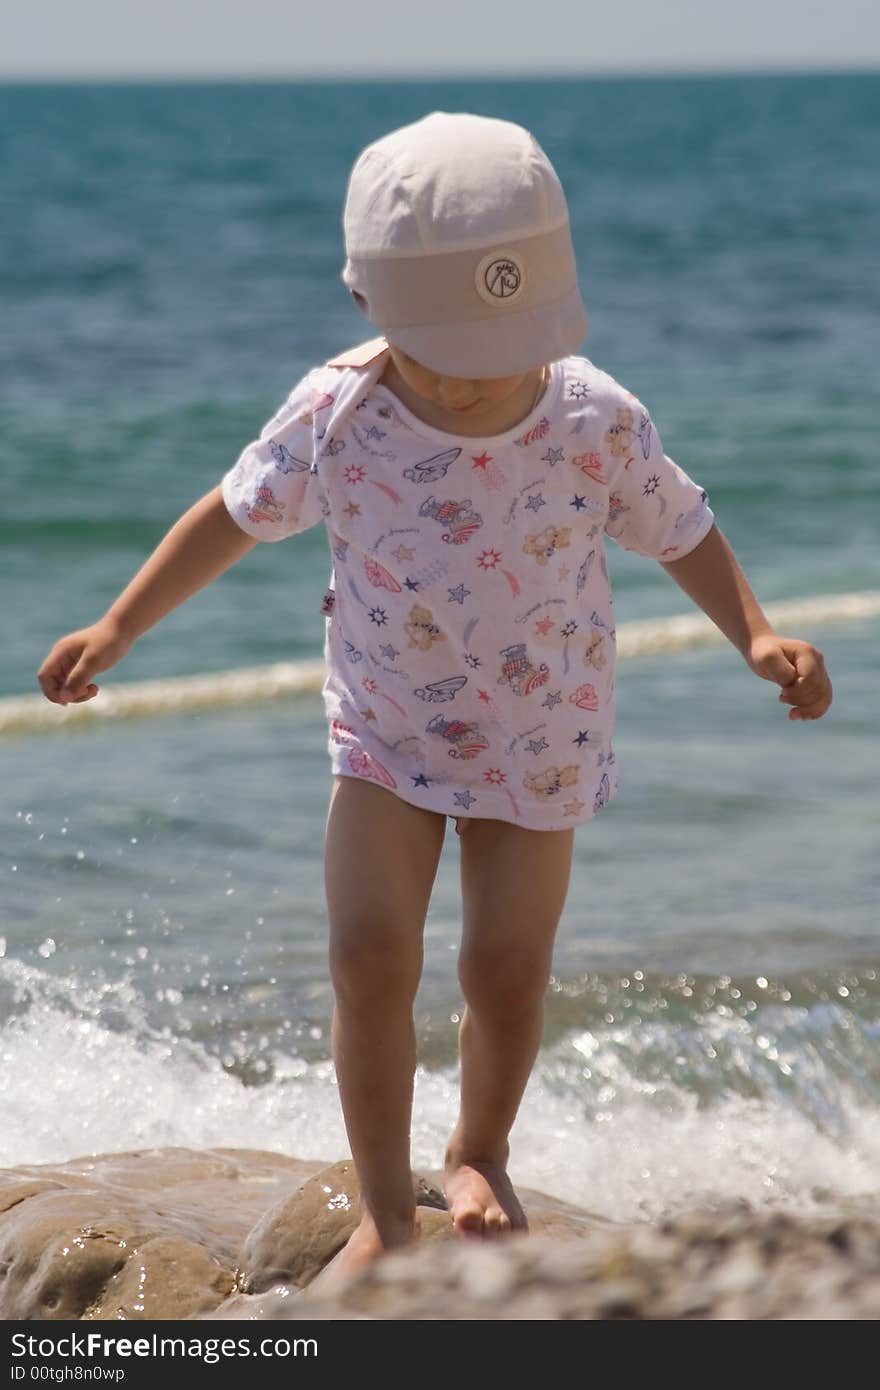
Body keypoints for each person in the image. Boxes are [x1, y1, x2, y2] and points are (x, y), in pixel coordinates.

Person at [37, 111, 832, 1286]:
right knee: (368, 956)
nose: (469, 373)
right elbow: (231, 516)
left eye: (498, 342)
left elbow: (683, 525)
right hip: (386, 736)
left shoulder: (592, 415)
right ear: (371, 309)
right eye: (442, 345)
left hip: (542, 736)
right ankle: (382, 1212)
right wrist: (118, 623)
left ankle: (481, 1154)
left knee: (506, 970)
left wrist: (756, 630)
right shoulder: (336, 411)